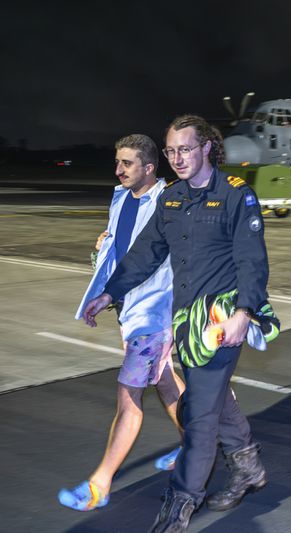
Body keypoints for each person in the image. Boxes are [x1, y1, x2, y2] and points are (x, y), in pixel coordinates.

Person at [82, 115, 273, 532]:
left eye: (184, 149)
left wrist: (244, 313)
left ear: (207, 147)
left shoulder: (236, 196)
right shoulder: (172, 200)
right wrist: (108, 293)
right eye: (170, 151)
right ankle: (248, 467)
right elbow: (143, 254)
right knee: (215, 399)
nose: (176, 158)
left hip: (221, 322)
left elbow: (252, 261)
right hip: (184, 322)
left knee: (200, 412)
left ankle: (179, 505)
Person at [59, 134, 184, 512]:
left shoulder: (171, 201)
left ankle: (101, 483)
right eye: (117, 162)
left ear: (149, 167)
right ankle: (199, 444)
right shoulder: (119, 198)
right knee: (165, 382)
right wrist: (101, 260)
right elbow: (119, 248)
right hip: (129, 309)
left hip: (156, 313)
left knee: (129, 397)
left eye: (127, 163)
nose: (118, 170)